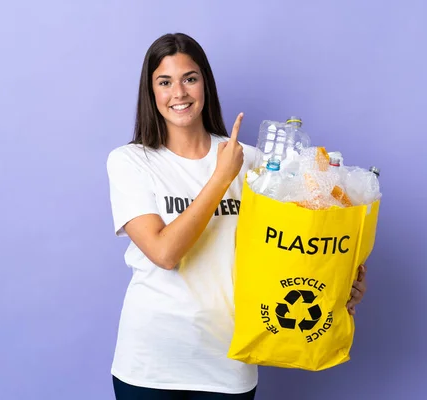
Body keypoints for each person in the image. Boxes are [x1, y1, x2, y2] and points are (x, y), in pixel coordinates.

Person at [105, 32, 367, 400]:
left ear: (205, 85)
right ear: (151, 93)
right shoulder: (131, 161)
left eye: (189, 79)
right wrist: (222, 177)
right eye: (164, 82)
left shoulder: (254, 161)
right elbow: (164, 253)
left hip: (228, 363)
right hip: (151, 363)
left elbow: (289, 248)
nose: (178, 93)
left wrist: (337, 282)